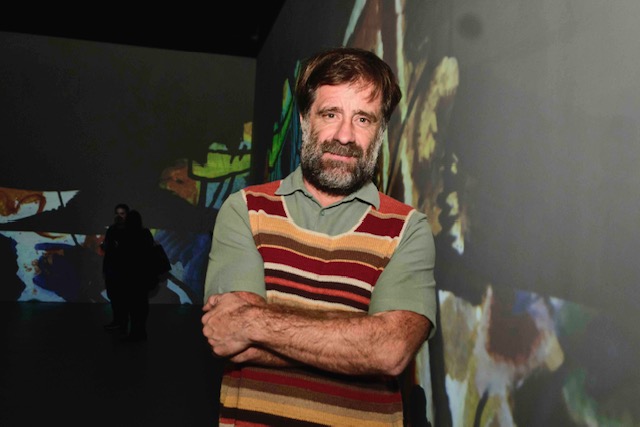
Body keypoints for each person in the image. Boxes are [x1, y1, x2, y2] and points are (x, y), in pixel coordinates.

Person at [201, 47, 437, 426]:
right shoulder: (245, 209)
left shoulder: (409, 228)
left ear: (380, 133)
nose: (344, 135)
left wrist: (253, 322)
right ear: (304, 120)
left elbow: (390, 351)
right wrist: (355, 342)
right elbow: (228, 339)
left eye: (363, 119)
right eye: (330, 114)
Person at [118, 209, 156, 342]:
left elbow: (121, 255)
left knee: (131, 305)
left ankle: (135, 332)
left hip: (129, 275)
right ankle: (140, 331)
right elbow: (150, 252)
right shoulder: (145, 233)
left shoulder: (125, 234)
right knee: (141, 304)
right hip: (142, 275)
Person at [101, 203, 129, 332]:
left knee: (123, 297)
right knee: (113, 296)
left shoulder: (131, 230)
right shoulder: (112, 229)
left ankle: (123, 322)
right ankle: (118, 321)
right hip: (111, 268)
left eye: (122, 213)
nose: (119, 216)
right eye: (117, 213)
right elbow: (107, 246)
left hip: (125, 270)